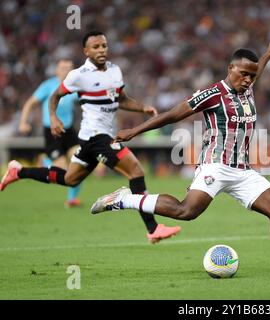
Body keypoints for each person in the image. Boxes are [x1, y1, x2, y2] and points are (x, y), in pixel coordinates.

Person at [91, 41, 270, 276]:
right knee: (187, 211)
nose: (247, 79)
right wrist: (135, 131)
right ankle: (124, 199)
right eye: (243, 74)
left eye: (251, 76)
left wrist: (268, 55)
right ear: (230, 68)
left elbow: (255, 70)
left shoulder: (248, 85)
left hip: (243, 170)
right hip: (216, 165)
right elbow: (172, 115)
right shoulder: (212, 94)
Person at [1, 31, 180, 243]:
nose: (101, 50)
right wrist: (53, 117)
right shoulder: (79, 75)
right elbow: (54, 96)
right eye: (95, 47)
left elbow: (120, 99)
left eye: (104, 45)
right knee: (135, 170)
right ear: (86, 51)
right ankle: (153, 229)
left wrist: (143, 108)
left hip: (91, 139)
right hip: (96, 137)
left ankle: (19, 171)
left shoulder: (115, 71)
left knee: (70, 178)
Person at [18, 58, 83, 208]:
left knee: (80, 164)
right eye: (63, 67)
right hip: (52, 131)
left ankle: (72, 199)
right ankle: (45, 161)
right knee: (62, 171)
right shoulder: (48, 86)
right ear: (56, 70)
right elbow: (30, 103)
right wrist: (23, 122)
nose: (66, 70)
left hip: (69, 130)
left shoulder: (75, 86)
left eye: (69, 68)